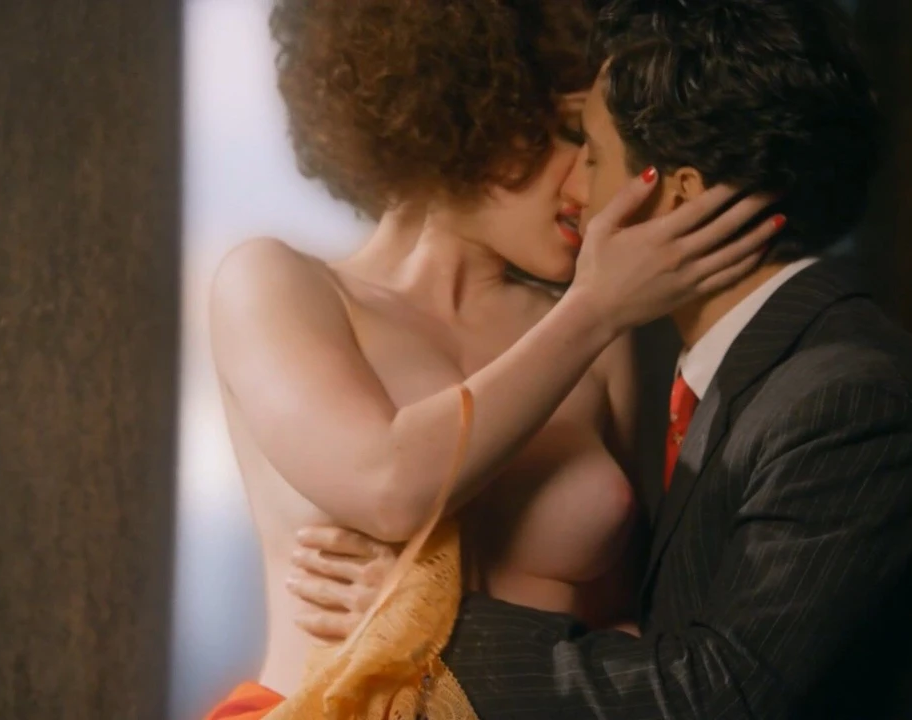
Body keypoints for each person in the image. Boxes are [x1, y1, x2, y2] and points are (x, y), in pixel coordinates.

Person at [295, 1, 912, 718]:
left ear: (678, 196)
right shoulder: (753, 379)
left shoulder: (852, 401)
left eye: (592, 155)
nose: (574, 189)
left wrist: (434, 625)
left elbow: (717, 697)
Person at [202, 0, 781, 717]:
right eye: (569, 135)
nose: (588, 185)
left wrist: (444, 619)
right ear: (467, 109)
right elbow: (390, 487)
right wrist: (595, 310)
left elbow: (631, 633)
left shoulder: (599, 344)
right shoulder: (279, 285)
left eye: (607, 146)